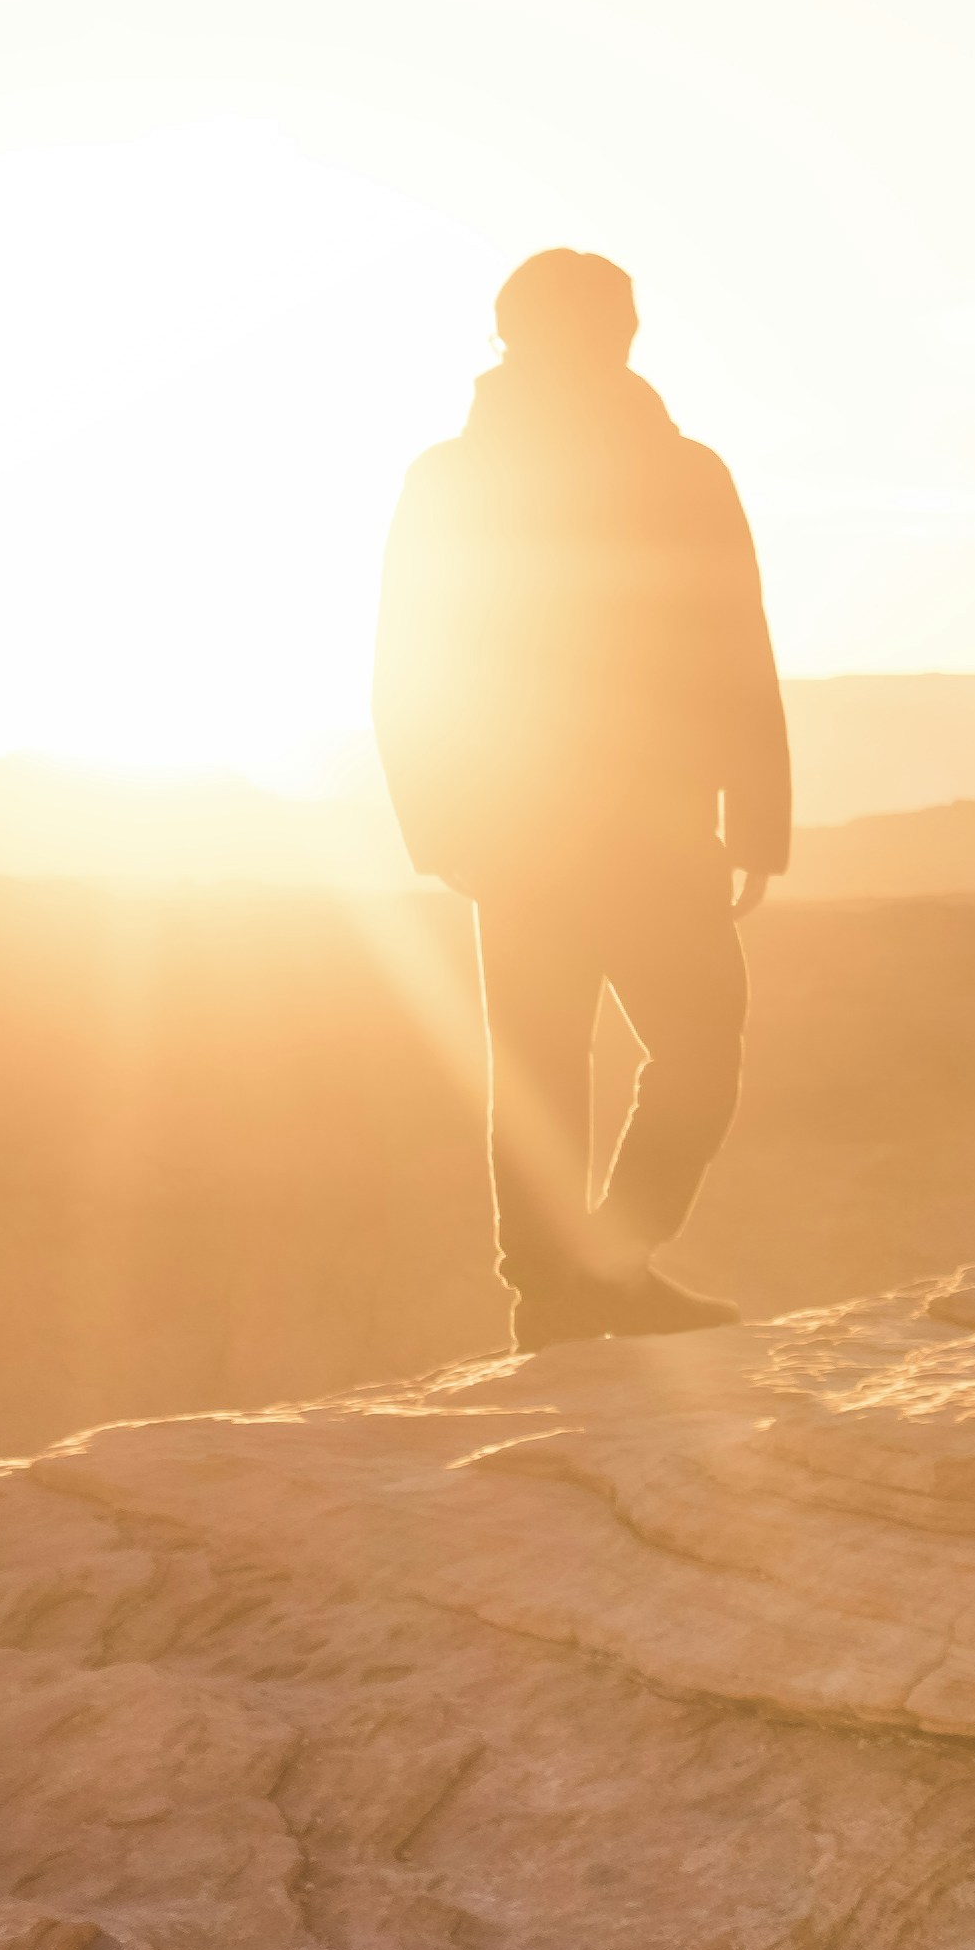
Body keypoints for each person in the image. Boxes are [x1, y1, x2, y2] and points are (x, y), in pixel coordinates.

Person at [374, 246, 788, 1351]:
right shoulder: (454, 480)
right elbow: (410, 660)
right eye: (600, 322)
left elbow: (737, 646)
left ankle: (599, 1272)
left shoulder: (685, 471)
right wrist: (440, 826)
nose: (617, 338)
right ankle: (556, 1298)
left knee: (686, 1053)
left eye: (620, 321)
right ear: (517, 336)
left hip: (643, 825)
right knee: (546, 1070)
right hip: (528, 826)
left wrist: (755, 821)